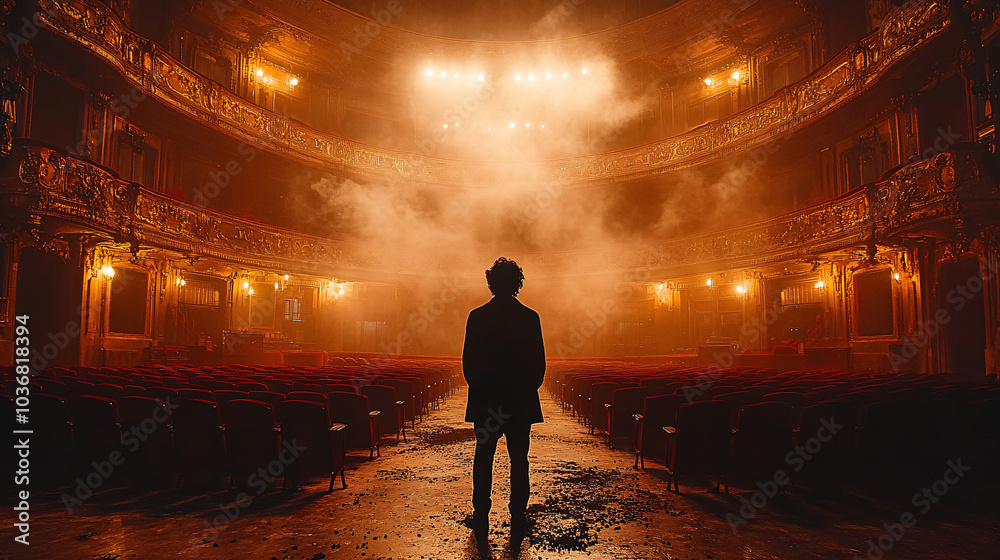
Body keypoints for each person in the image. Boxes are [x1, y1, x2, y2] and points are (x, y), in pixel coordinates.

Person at [462, 257, 545, 539]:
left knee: (483, 457)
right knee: (519, 459)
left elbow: (469, 364)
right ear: (517, 283)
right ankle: (518, 514)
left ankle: (481, 514)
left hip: (487, 401)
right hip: (520, 401)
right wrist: (524, 389)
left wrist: (483, 390)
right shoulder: (530, 317)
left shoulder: (477, 316)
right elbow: (538, 365)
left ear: (491, 283)